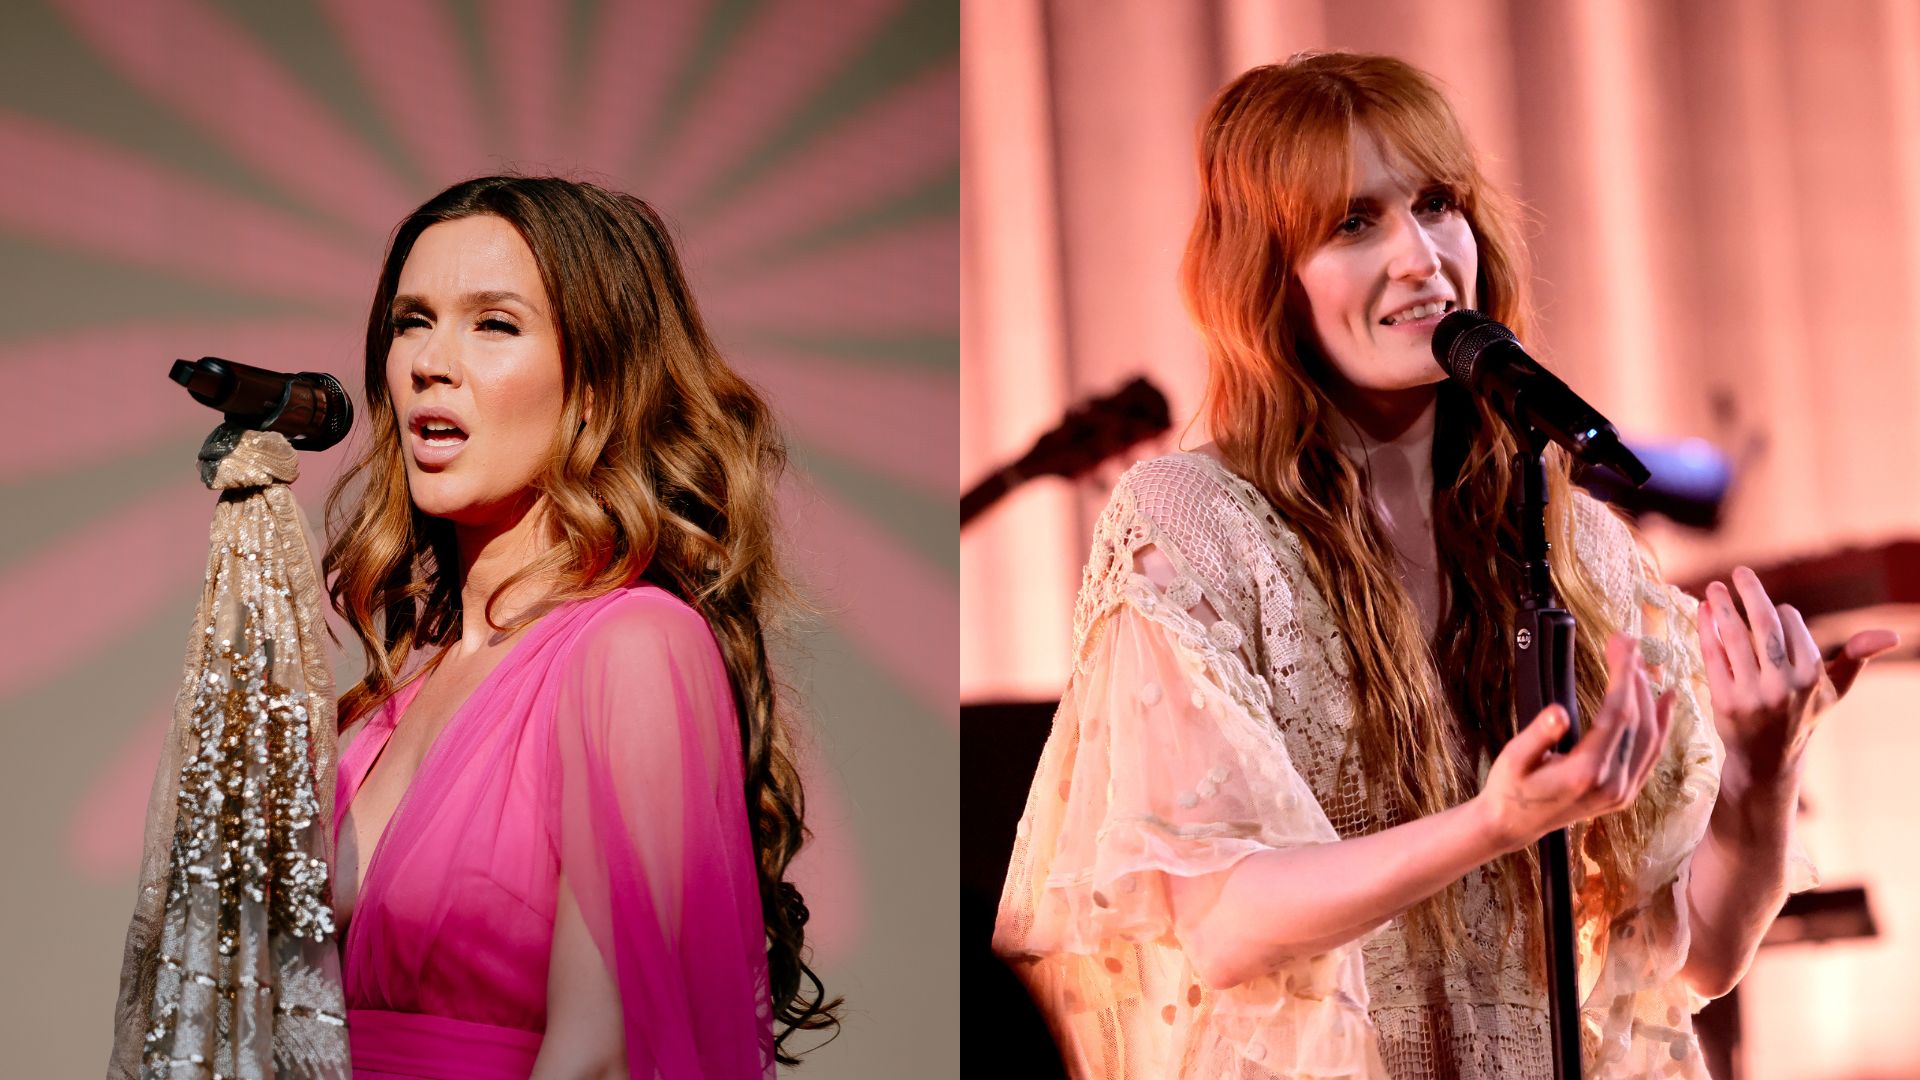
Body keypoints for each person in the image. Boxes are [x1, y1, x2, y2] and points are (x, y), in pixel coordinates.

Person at [991, 53, 1898, 1078]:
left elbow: (1705, 956)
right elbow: (1222, 922)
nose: (1421, 256)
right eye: (1353, 222)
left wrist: (1761, 771)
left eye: (1436, 205)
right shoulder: (1198, 521)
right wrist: (1492, 825)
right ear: (1266, 274)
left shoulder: (1569, 539)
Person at [322, 175, 838, 1078]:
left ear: (598, 386)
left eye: (495, 324)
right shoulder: (395, 692)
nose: (430, 363)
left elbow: (600, 1052)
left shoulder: (633, 646)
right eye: (412, 320)